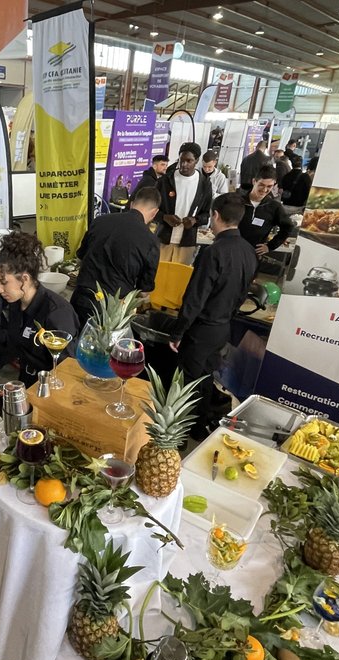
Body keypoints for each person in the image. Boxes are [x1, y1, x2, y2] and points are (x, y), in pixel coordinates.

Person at [168, 194, 258, 440]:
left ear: (215, 215)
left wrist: (178, 331)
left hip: (201, 329)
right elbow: (243, 294)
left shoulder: (214, 252)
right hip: (223, 327)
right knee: (207, 379)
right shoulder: (249, 251)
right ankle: (197, 429)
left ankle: (177, 437)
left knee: (185, 383)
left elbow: (195, 297)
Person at [0, 231, 78, 386]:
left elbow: (67, 370)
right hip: (27, 382)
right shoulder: (16, 303)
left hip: (52, 387)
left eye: (3, 282)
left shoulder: (57, 313)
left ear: (24, 278)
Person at [72, 186, 161, 326]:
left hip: (82, 298)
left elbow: (80, 258)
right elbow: (144, 290)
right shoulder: (151, 241)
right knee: (103, 347)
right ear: (154, 213)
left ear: (131, 203)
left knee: (75, 341)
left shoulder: (100, 221)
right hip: (112, 309)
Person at [156, 143, 213, 266]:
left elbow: (206, 215)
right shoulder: (165, 181)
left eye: (189, 161)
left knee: (179, 280)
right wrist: (165, 217)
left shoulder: (204, 184)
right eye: (181, 160)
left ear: (197, 160)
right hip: (163, 240)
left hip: (187, 243)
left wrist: (195, 220)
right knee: (157, 277)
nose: (184, 164)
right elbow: (152, 209)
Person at [238, 165, 294, 257]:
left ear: (274, 185)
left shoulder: (274, 207)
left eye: (269, 186)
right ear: (254, 181)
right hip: (232, 250)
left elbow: (288, 227)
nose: (264, 190)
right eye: (261, 185)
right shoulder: (238, 202)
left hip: (254, 255)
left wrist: (270, 246)